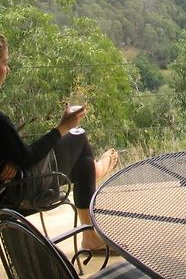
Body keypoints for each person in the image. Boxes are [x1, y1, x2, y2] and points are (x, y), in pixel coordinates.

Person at [0, 33, 119, 251]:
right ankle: (96, 172)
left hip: (10, 190)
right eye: (5, 63)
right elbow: (26, 159)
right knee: (78, 137)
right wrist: (62, 127)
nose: (7, 70)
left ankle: (90, 233)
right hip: (20, 194)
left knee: (82, 161)